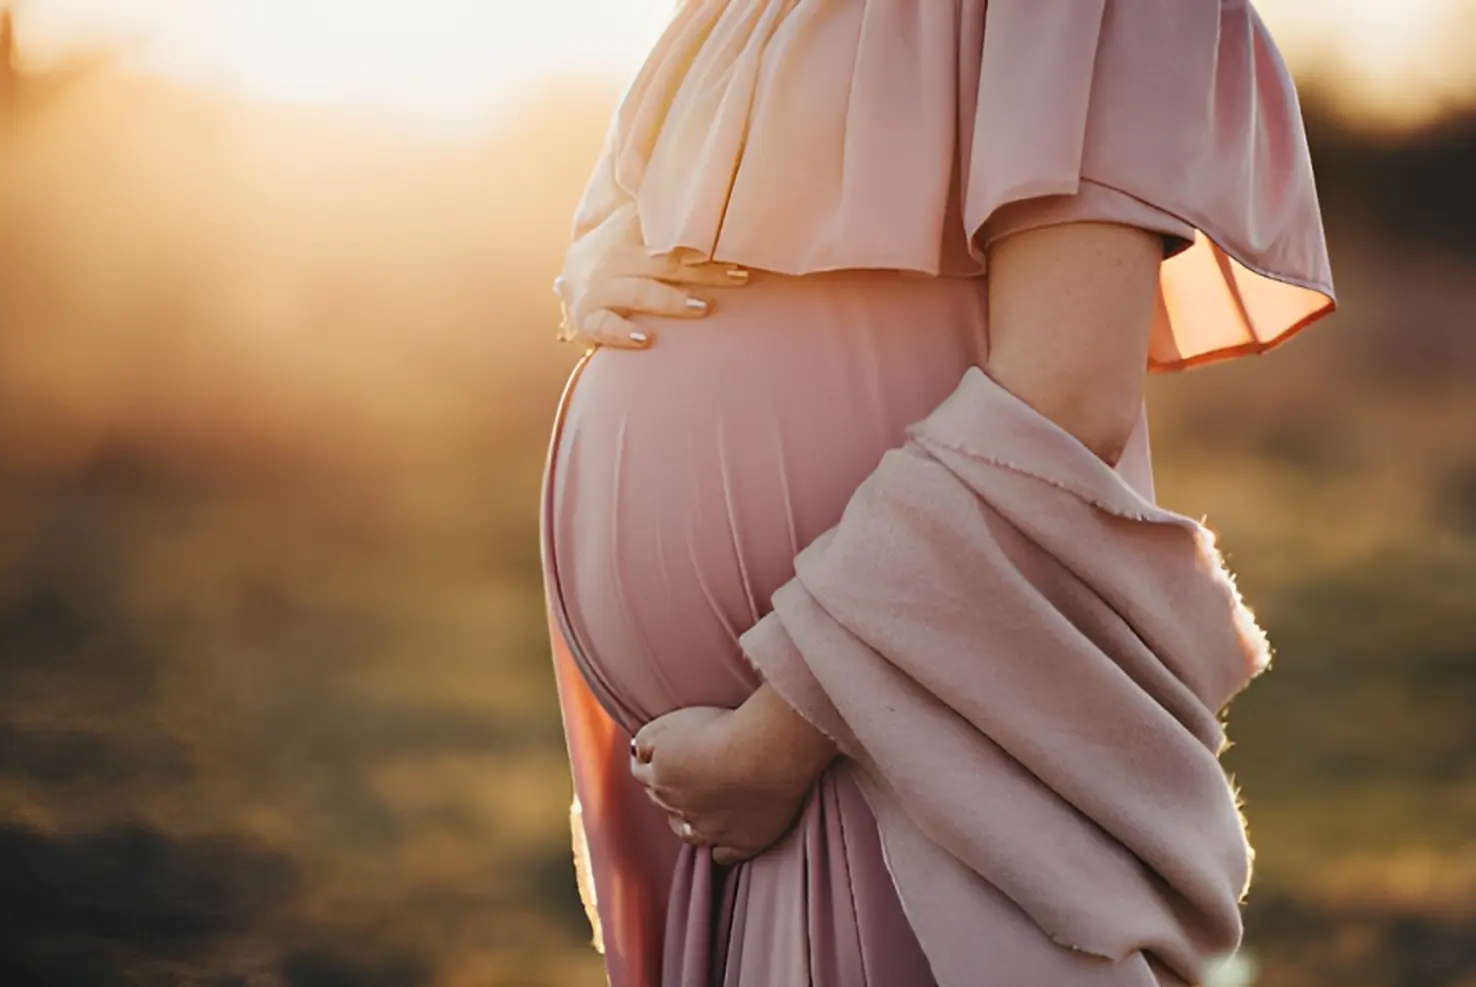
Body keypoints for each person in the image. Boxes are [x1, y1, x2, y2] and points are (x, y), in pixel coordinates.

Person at [539, 2, 1335, 985]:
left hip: (892, 745)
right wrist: (592, 263)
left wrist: (780, 735)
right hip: (718, 783)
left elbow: (1061, 404)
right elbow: (636, 202)